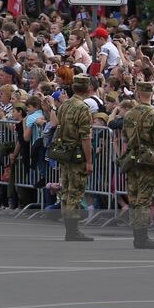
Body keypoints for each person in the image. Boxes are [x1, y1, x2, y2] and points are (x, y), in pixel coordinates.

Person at [116, 80, 154, 249]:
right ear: (150, 95)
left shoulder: (129, 114)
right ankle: (142, 237)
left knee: (134, 196)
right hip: (147, 160)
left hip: (132, 159)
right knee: (144, 198)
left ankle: (137, 235)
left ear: (138, 94)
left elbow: (124, 139)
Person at [52, 75, 95, 241]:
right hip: (77, 154)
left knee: (66, 190)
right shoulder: (82, 108)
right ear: (87, 89)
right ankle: (73, 230)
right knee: (75, 193)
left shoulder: (65, 105)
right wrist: (89, 161)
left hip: (65, 152)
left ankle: (69, 229)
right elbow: (86, 137)